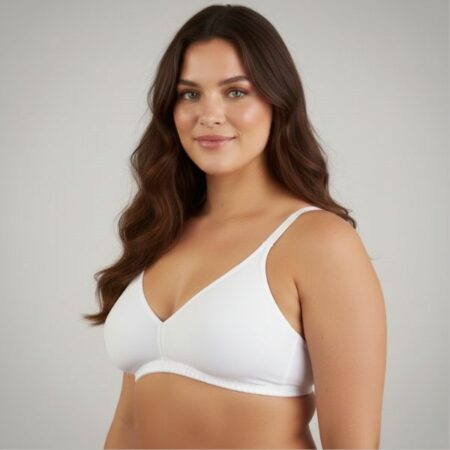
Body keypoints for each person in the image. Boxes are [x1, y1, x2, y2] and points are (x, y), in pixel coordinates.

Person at [83, 4, 387, 449]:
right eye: (189, 94)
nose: (209, 114)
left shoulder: (319, 242)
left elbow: (353, 445)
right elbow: (128, 423)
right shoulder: (160, 233)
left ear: (277, 101)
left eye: (236, 92)